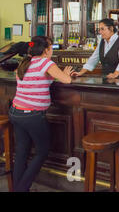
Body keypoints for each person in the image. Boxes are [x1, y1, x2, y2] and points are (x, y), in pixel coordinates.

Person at [9, 36, 73, 192]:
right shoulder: (46, 63)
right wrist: (65, 73)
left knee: (22, 151)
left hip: (16, 112)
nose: (52, 50)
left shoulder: (24, 63)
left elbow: (40, 79)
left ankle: (19, 189)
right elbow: (67, 80)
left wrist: (55, 75)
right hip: (32, 116)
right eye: (51, 47)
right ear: (46, 50)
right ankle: (21, 189)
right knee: (42, 152)